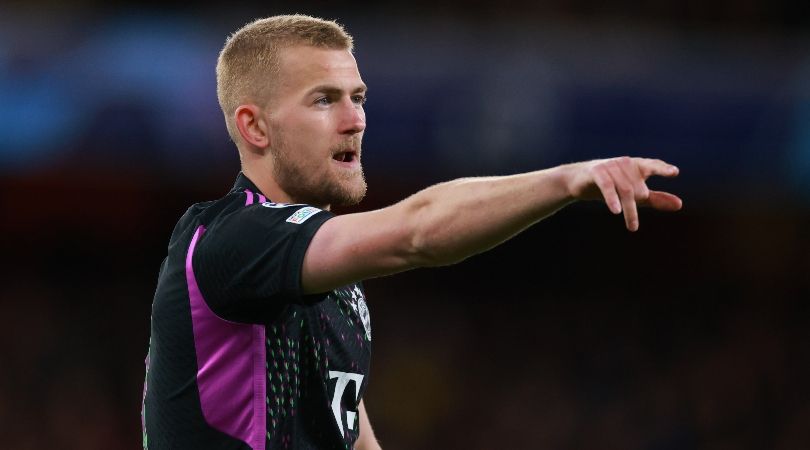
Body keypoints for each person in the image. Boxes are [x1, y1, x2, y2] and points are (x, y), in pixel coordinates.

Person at [141, 14, 682, 450]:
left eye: (359, 97)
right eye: (324, 99)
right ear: (254, 126)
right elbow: (418, 231)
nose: (355, 120)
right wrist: (565, 181)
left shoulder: (336, 292)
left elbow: (348, 435)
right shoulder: (228, 240)